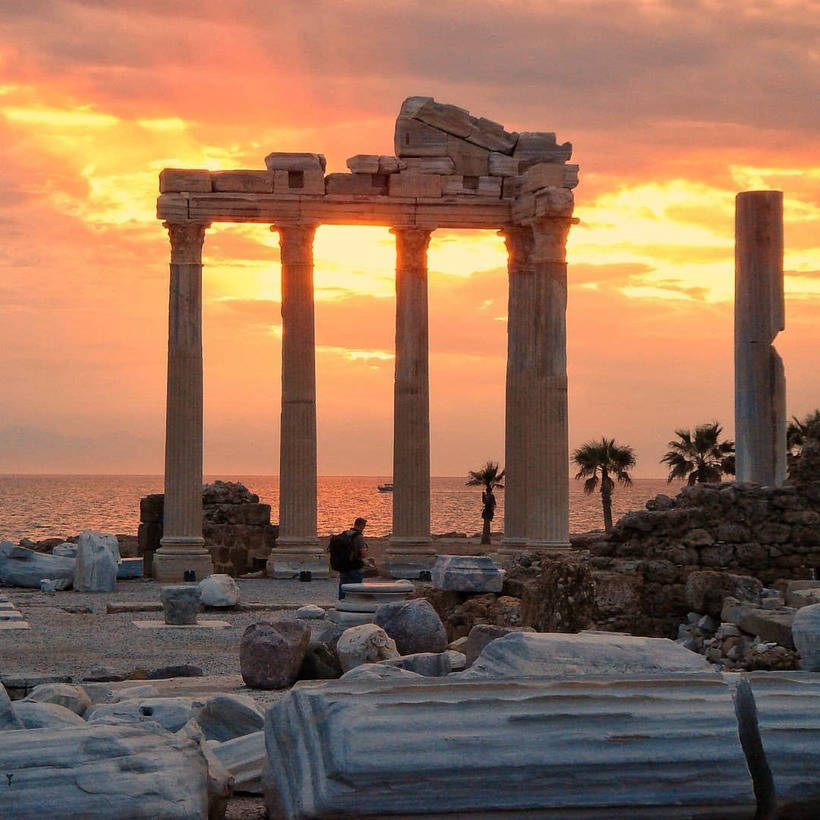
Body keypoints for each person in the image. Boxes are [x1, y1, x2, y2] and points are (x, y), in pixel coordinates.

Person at [337, 517, 368, 600]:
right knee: (355, 587)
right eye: (364, 525)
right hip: (355, 566)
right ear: (361, 525)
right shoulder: (358, 537)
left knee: (343, 586)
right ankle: (353, 603)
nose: (364, 527)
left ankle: (342, 603)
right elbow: (363, 554)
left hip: (343, 565)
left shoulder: (345, 534)